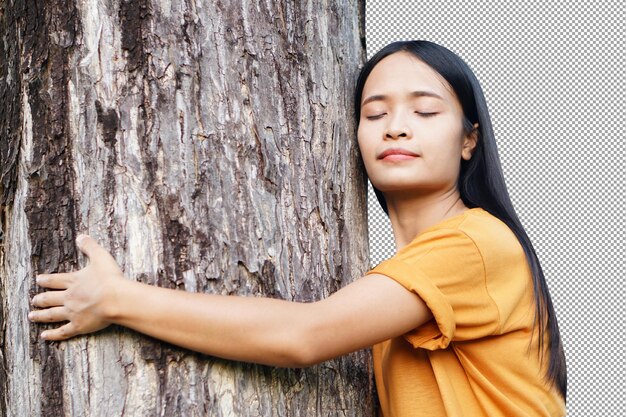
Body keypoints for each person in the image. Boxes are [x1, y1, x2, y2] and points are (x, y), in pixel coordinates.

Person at [29, 40, 566, 416]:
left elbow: (301, 336)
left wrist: (116, 299)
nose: (396, 126)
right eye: (374, 114)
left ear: (469, 139)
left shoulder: (476, 243)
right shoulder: (402, 278)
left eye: (425, 111)